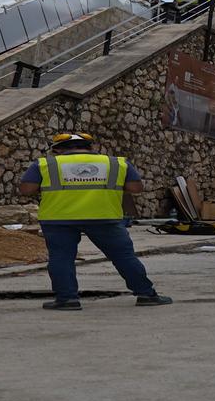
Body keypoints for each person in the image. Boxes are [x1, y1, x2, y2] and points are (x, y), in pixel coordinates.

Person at [16, 131, 173, 311]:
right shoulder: (116, 163)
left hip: (59, 218)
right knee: (123, 257)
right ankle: (146, 294)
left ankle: (67, 300)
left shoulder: (45, 163)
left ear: (57, 150)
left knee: (61, 258)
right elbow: (136, 188)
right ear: (92, 148)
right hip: (105, 217)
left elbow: (27, 189)